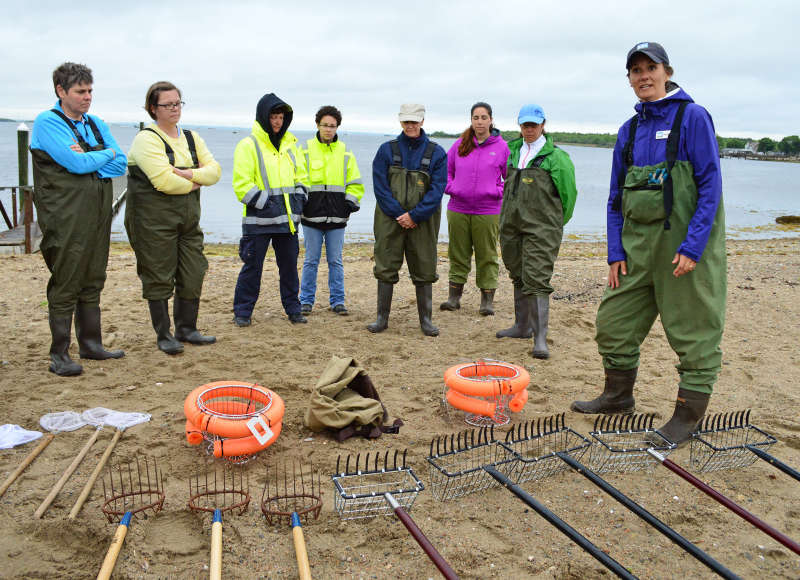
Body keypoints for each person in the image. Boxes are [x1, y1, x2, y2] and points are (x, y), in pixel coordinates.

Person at [571, 42, 726, 446]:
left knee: (694, 334)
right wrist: (615, 252)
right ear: (629, 78)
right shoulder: (629, 130)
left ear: (667, 71)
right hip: (636, 248)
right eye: (635, 70)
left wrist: (693, 246)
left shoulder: (692, 117)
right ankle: (618, 396)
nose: (643, 75)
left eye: (650, 67)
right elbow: (614, 199)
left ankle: (686, 418)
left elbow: (710, 185)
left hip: (682, 248)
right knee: (613, 323)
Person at [30, 62, 126, 376]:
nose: (87, 97)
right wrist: (102, 157)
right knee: (67, 279)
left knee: (93, 276)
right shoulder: (48, 122)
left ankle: (91, 344)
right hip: (65, 214)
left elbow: (120, 162)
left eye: (90, 91)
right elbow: (75, 162)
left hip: (97, 212)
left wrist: (97, 160)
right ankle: (59, 354)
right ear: (61, 91)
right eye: (80, 91)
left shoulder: (95, 122)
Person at [126, 81, 222, 355]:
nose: (174, 109)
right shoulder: (146, 139)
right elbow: (164, 182)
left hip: (188, 221)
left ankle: (187, 329)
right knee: (158, 276)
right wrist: (197, 181)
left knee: (194, 271)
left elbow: (215, 172)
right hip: (152, 221)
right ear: (153, 109)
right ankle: (164, 334)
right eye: (167, 105)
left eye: (178, 103)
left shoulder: (192, 137)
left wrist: (190, 175)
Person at [496, 104, 577, 359]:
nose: (529, 129)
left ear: (543, 124)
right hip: (511, 224)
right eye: (524, 125)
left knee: (537, 278)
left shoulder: (557, 158)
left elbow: (568, 196)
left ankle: (540, 338)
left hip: (542, 228)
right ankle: (522, 326)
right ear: (519, 125)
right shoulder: (511, 151)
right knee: (517, 272)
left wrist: (554, 223)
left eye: (533, 125)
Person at [368, 103, 446, 336]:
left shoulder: (437, 153)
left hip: (423, 222)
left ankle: (426, 320)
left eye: (414, 121)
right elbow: (380, 187)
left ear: (423, 121)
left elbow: (437, 190)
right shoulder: (385, 150)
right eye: (406, 121)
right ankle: (382, 318)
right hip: (389, 219)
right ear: (400, 121)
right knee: (385, 266)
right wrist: (398, 214)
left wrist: (415, 215)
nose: (410, 125)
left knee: (424, 267)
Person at [232, 93, 309, 326]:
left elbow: (302, 178)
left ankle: (294, 310)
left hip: (288, 222)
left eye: (281, 117)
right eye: (274, 116)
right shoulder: (248, 145)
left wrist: (299, 200)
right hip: (259, 222)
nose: (277, 121)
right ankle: (242, 313)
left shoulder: (292, 145)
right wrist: (268, 204)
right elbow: (241, 185)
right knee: (252, 269)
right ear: (264, 117)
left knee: (289, 270)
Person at [440, 102, 509, 316]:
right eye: (476, 117)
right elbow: (445, 172)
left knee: (487, 254)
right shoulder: (460, 144)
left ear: (491, 120)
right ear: (471, 120)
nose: (480, 121)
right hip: (458, 208)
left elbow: (510, 178)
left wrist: (496, 190)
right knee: (457, 253)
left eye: (484, 117)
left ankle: (486, 301)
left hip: (488, 211)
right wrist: (452, 188)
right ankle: (454, 298)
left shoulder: (501, 147)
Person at [298, 106, 364, 316]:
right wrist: (302, 204)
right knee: (311, 261)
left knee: (336, 261)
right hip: (311, 218)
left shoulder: (345, 152)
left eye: (332, 126)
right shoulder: (305, 150)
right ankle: (306, 301)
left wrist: (349, 204)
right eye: (325, 125)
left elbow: (355, 184)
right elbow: (297, 180)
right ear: (317, 125)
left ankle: (338, 301)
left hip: (337, 218)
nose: (328, 129)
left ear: (337, 128)